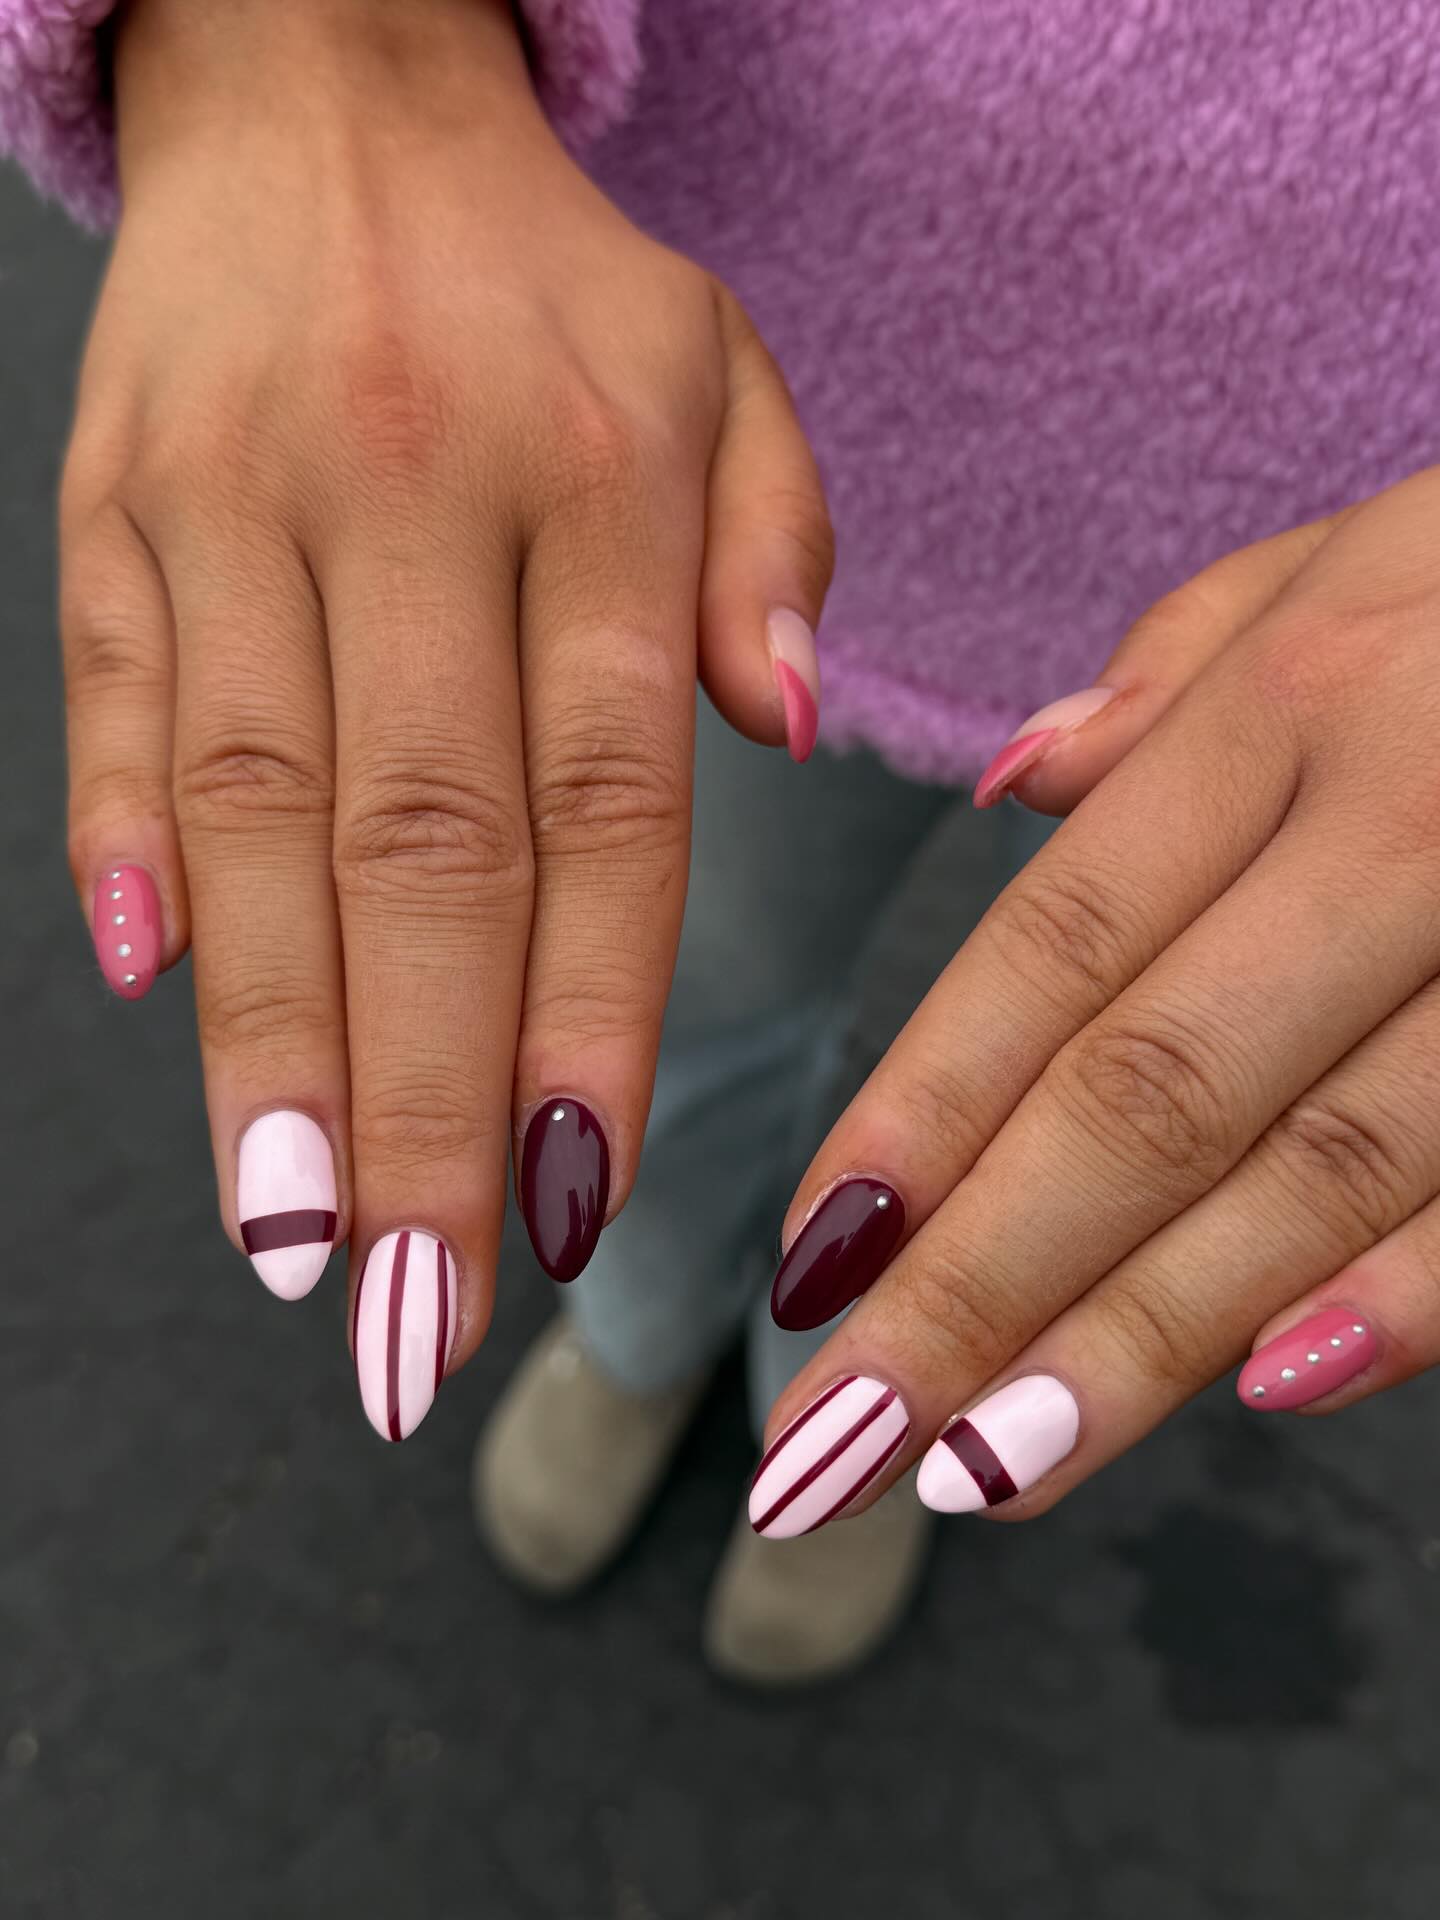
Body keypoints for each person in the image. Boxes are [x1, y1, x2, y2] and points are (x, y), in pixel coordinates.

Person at [5, 0, 1439, 1683]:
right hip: (755, 442)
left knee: (1096, 1104)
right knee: (679, 995)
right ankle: (643, 1314)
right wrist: (311, 47)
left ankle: (851, 1392)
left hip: (1379, 582)